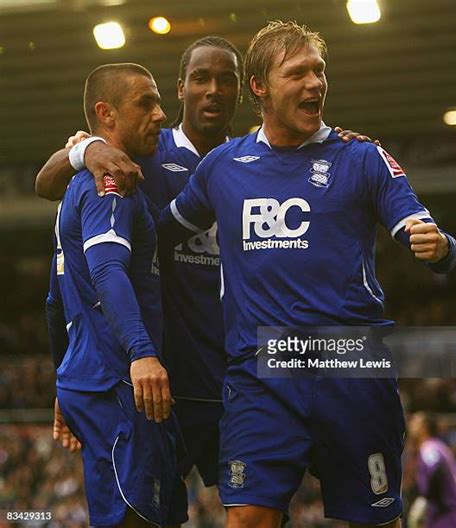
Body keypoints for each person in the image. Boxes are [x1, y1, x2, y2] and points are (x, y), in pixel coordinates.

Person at [35, 35, 373, 497]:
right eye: (201, 79)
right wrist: (88, 150)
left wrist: (339, 144)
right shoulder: (144, 151)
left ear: (248, 90)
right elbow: (47, 181)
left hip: (241, 380)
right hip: (160, 384)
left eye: (226, 80)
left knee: (260, 510)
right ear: (180, 89)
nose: (213, 90)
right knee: (156, 513)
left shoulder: (255, 162)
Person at [155, 21, 456, 528]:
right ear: (260, 87)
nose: (315, 83)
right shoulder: (223, 167)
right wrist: (88, 156)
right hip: (261, 369)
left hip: (350, 362)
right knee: (247, 517)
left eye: (319, 71)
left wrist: (440, 246)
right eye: (297, 73)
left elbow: (422, 228)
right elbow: (160, 233)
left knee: (374, 520)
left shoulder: (362, 157)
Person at [45, 62, 187, 527]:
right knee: (139, 518)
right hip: (121, 380)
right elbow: (108, 271)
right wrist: (142, 353)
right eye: (146, 103)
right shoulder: (113, 184)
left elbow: (55, 302)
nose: (161, 114)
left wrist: (64, 378)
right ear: (106, 113)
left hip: (90, 379)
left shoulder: (76, 187)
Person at [407, 412, 456, 528]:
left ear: (424, 428)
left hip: (445, 515)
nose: (411, 424)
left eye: (416, 421)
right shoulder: (439, 446)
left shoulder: (429, 447)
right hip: (450, 514)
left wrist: (425, 499)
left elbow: (438, 469)